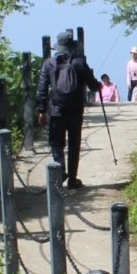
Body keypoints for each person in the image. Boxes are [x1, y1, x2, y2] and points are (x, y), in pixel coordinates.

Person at [36, 28, 99, 187]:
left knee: (56, 143)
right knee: (74, 143)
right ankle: (72, 179)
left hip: (56, 109)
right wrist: (98, 85)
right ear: (72, 46)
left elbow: (42, 89)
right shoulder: (79, 62)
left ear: (58, 47)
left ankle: (59, 172)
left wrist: (41, 110)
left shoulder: (49, 64)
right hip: (75, 109)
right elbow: (92, 84)